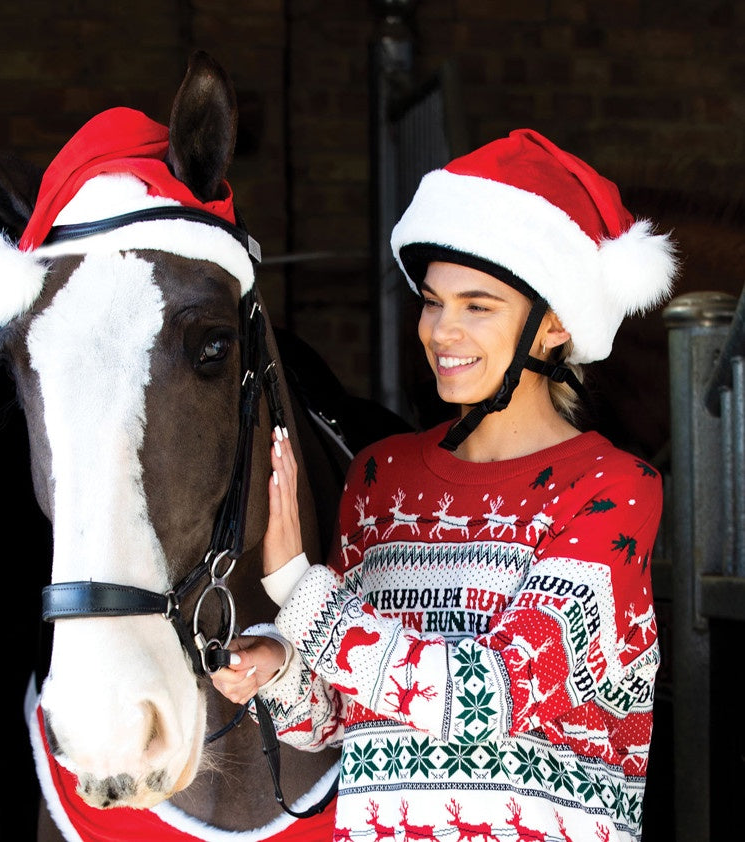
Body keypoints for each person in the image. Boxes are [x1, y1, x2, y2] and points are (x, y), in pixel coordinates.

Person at [212, 128, 677, 842]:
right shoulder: (381, 475)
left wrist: (298, 589)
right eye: (432, 301)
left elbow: (486, 700)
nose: (441, 330)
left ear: (553, 326)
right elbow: (342, 718)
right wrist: (277, 671)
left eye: (477, 306)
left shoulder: (612, 488)